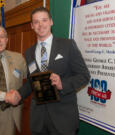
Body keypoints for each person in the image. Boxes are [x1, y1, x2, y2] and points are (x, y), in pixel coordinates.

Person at [10, 7, 90, 135]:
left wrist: (62, 84)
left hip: (63, 119)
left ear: (51, 22)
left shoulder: (67, 45)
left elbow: (84, 75)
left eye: (44, 20)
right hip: (38, 119)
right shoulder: (29, 52)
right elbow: (32, 81)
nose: (40, 25)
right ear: (31, 26)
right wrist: (19, 94)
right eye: (36, 22)